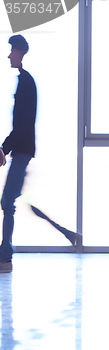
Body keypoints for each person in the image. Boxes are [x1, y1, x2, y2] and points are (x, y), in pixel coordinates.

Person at [0, 35, 37, 273]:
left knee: (7, 201)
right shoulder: (24, 81)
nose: (9, 55)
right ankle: (5, 254)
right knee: (9, 201)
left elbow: (23, 124)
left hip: (22, 150)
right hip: (21, 150)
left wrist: (3, 148)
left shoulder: (26, 82)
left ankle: (5, 257)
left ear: (20, 51)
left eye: (12, 51)